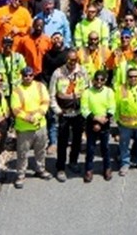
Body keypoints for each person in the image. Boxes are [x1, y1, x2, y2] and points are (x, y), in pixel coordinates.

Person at [49, 49, 87, 180]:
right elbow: (52, 95)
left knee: (77, 140)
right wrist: (57, 110)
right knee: (63, 141)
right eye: (70, 60)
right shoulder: (58, 73)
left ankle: (73, 162)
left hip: (78, 112)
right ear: (66, 60)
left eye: (75, 60)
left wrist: (85, 109)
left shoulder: (82, 71)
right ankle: (60, 168)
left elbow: (87, 90)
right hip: (63, 113)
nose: (72, 63)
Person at [8, 65, 50, 184]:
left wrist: (36, 116)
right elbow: (15, 109)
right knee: (22, 152)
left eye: (30, 75)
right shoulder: (17, 91)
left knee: (41, 149)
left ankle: (40, 169)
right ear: (21, 77)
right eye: (25, 75)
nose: (28, 77)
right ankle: (21, 174)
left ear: (33, 75)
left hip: (40, 125)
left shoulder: (40, 86)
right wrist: (29, 118)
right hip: (24, 128)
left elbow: (46, 102)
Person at [79, 69, 116, 182]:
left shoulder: (109, 92)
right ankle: (89, 170)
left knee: (105, 148)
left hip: (105, 122)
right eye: (97, 79)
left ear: (105, 81)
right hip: (91, 123)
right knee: (90, 149)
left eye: (102, 79)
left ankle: (107, 168)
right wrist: (95, 119)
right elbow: (84, 109)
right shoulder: (87, 92)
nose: (99, 81)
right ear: (93, 80)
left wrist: (104, 119)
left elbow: (112, 107)